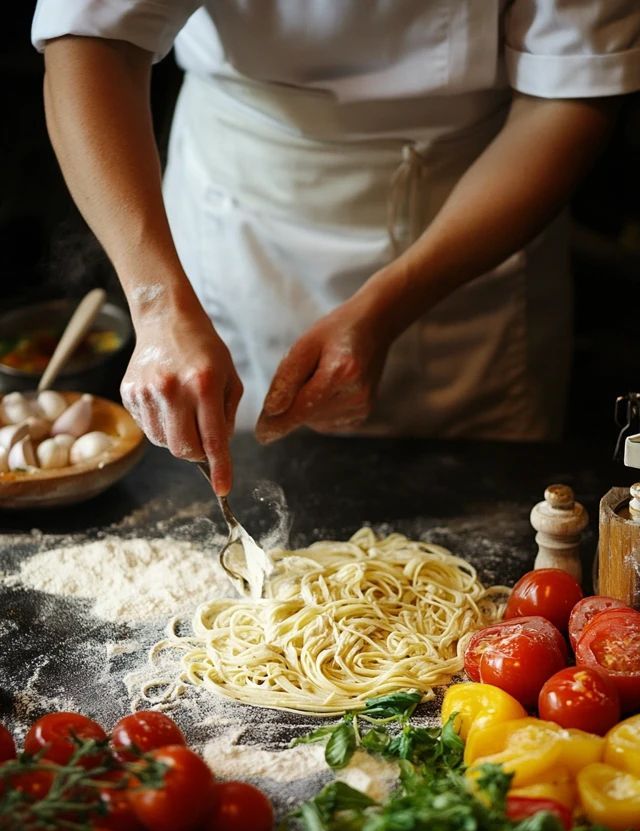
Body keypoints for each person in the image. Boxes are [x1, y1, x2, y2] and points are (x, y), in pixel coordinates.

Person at [32, 3, 640, 494]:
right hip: (245, 192)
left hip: (479, 201)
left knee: (484, 515)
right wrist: (158, 302)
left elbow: (574, 89)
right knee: (232, 475)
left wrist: (393, 305)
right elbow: (87, 39)